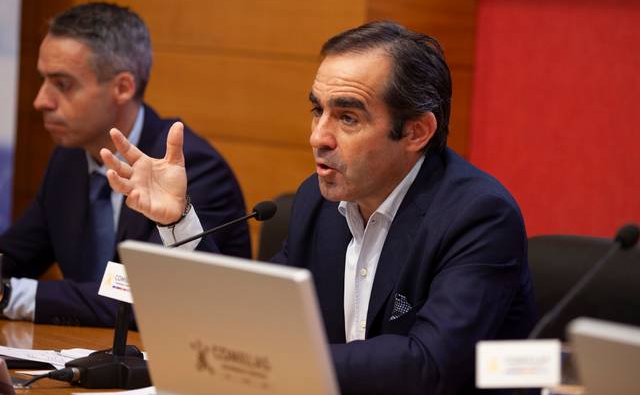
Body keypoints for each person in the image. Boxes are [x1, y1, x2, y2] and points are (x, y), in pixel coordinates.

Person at [102, 21, 536, 394]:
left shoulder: (478, 216)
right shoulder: (318, 200)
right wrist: (178, 220)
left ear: (417, 131)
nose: (318, 137)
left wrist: (279, 362)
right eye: (318, 110)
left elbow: (428, 364)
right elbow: (254, 314)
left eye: (347, 117)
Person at [0, 2, 250, 327]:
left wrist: (10, 296)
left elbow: (143, 295)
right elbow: (17, 253)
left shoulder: (193, 168)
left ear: (122, 87)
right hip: (83, 354)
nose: (40, 101)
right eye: (43, 80)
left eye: (62, 84)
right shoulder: (69, 158)